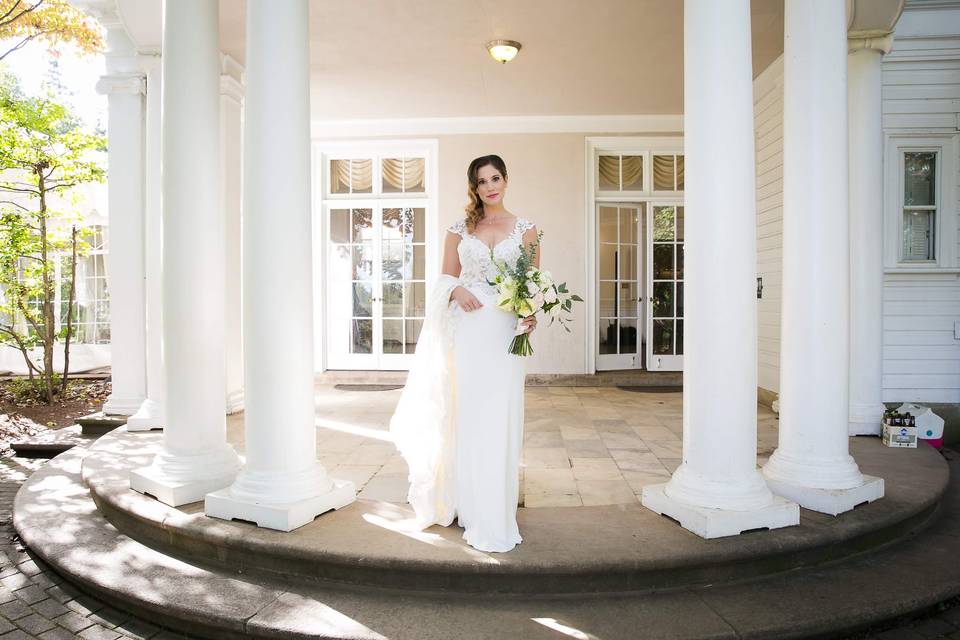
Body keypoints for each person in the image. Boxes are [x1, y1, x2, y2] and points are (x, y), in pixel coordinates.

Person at [389, 154, 538, 553]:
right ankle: (466, 503)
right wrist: (457, 290)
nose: (489, 186)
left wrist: (530, 314)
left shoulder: (527, 230)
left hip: (505, 333)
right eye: (481, 181)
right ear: (474, 187)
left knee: (499, 414)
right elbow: (444, 278)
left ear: (506, 180)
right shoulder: (460, 229)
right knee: (468, 413)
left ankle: (494, 509)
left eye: (495, 178)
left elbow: (532, 284)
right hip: (469, 331)